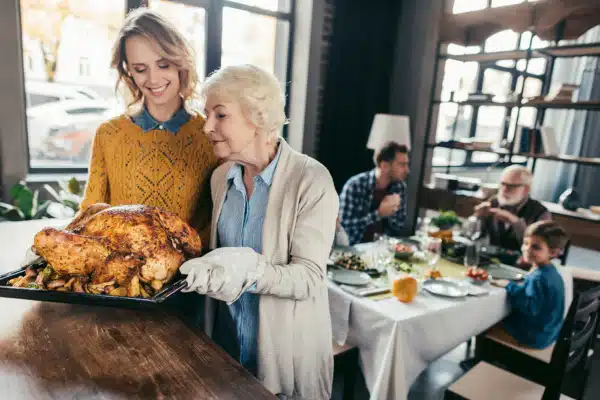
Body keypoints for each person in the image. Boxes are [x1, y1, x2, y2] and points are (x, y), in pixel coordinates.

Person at [179, 64, 338, 399]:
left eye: (220, 115)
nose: (207, 127)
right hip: (224, 352)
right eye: (206, 114)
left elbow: (309, 278)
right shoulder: (220, 178)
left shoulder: (311, 180)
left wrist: (251, 270)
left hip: (282, 362)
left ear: (258, 117)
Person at [80, 8, 218, 246]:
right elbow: (90, 216)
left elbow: (217, 222)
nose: (153, 80)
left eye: (163, 65)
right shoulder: (109, 135)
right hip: (119, 275)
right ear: (128, 71)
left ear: (179, 62)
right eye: (141, 69)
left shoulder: (209, 135)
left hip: (188, 277)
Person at [491, 220, 568, 349]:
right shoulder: (552, 271)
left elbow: (529, 307)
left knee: (487, 325)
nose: (527, 249)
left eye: (535, 247)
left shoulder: (538, 277)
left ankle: (487, 361)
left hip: (533, 337)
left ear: (553, 253)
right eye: (526, 243)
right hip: (548, 334)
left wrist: (509, 285)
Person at [339, 141, 409, 245]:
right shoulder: (355, 185)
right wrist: (378, 214)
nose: (407, 170)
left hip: (384, 249)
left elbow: (399, 225)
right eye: (402, 165)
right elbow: (344, 226)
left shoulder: (399, 187)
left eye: (407, 164)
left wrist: (392, 212)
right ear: (384, 166)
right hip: (353, 248)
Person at [474, 165, 551, 251]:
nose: (505, 190)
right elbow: (476, 236)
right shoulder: (493, 202)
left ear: (526, 189)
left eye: (512, 186)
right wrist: (477, 218)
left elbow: (538, 249)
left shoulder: (541, 213)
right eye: (503, 184)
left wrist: (516, 223)